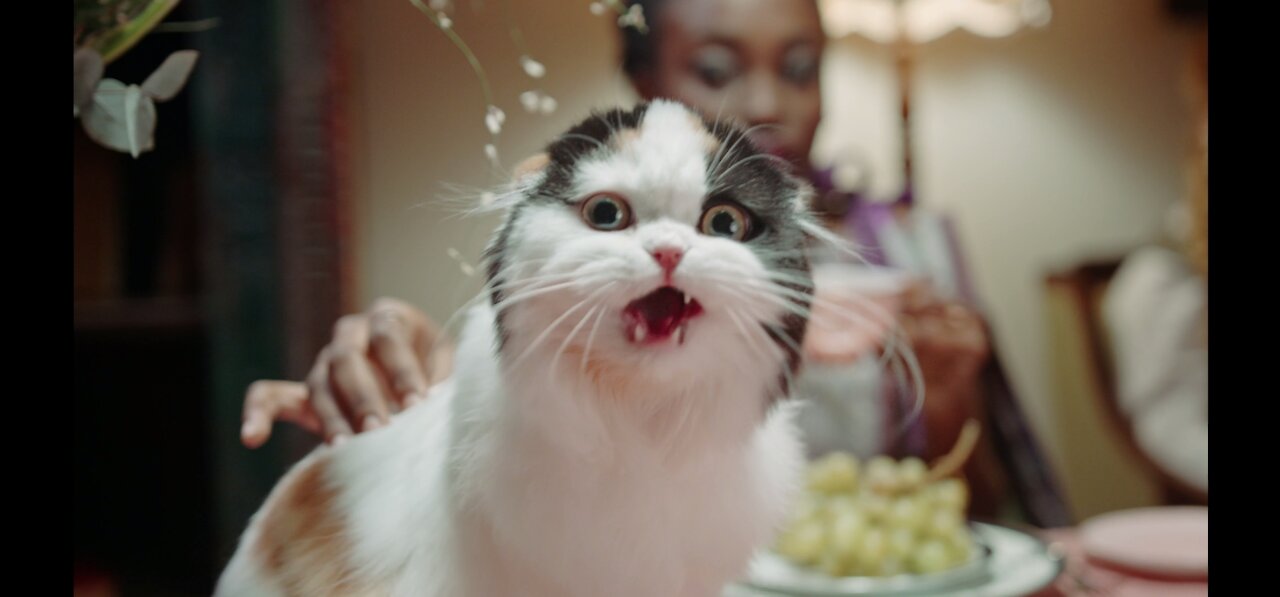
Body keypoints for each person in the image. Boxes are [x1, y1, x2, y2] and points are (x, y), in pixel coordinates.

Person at [240, 0, 1068, 525]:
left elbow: (985, 523)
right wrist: (412, 374)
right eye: (715, 68)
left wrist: (954, 404)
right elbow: (490, 417)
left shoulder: (910, 251)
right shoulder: (578, 240)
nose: (767, 104)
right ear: (641, 75)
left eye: (802, 69)